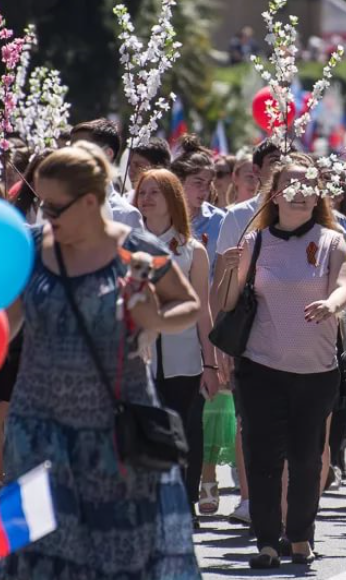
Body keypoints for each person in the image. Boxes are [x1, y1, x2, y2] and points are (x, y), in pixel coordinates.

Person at [2, 143, 201, 579]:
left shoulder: (136, 250)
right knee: (36, 550)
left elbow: (189, 305)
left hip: (113, 433)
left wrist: (153, 317)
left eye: (55, 206)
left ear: (91, 201)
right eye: (42, 204)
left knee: (116, 554)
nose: (45, 215)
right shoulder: (31, 250)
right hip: (37, 430)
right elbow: (8, 321)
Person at [218, 154, 346, 569]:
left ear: (317, 195)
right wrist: (226, 272)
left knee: (307, 459)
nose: (299, 191)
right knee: (263, 457)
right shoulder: (254, 243)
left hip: (316, 370)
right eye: (290, 184)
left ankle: (300, 536)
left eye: (307, 183)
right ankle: (266, 541)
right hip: (261, 367)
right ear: (274, 195)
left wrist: (331, 304)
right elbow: (225, 304)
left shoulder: (332, 240)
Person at [135, 168, 221, 526]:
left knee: (185, 430)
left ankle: (184, 502)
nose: (147, 198)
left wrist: (211, 364)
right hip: (137, 358)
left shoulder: (191, 250)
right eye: (143, 192)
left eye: (156, 192)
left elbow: (203, 310)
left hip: (184, 359)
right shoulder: (126, 244)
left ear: (172, 199)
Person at [211, 138, 282, 526]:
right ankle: (249, 495)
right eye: (273, 163)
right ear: (257, 171)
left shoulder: (314, 218)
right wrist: (221, 344)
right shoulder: (237, 218)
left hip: (294, 331)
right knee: (248, 419)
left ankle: (287, 499)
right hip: (248, 331)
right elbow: (223, 280)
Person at [69, 118, 144, 230]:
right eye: (70, 150)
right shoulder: (62, 205)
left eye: (82, 150)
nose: (72, 157)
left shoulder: (126, 216)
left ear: (108, 154)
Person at [170, 136, 226, 271]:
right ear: (179, 181)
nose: (205, 190)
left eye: (208, 184)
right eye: (198, 182)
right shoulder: (161, 216)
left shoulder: (219, 220)